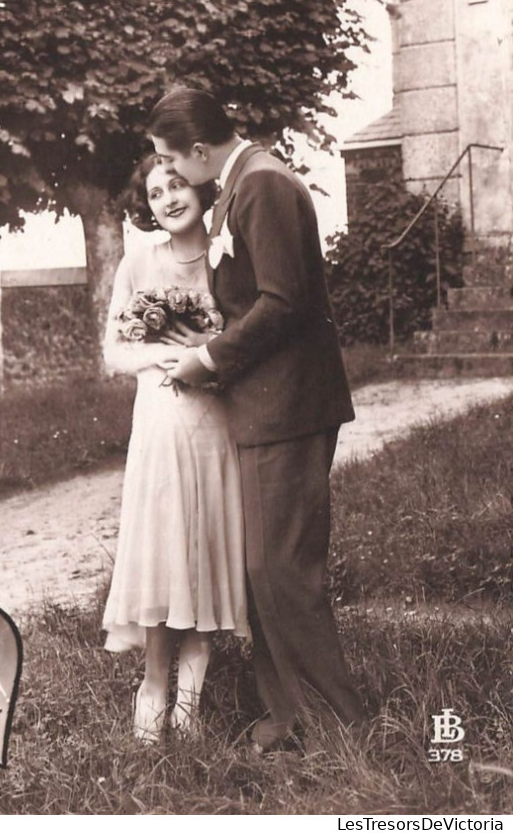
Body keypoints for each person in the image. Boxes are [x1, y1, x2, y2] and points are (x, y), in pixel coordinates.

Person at [148, 86, 365, 753]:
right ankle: (291, 717)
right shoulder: (238, 185)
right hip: (264, 407)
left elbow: (284, 303)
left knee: (282, 570)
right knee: (260, 570)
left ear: (200, 149)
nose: (171, 174)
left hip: (288, 406)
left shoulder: (265, 185)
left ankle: (342, 726)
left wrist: (208, 359)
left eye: (171, 160)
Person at [102, 154, 248, 743]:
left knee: (204, 546)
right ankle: (153, 687)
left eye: (177, 184)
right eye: (156, 191)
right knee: (166, 550)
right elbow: (114, 350)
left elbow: (244, 338)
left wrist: (209, 354)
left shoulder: (224, 260)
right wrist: (166, 357)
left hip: (215, 422)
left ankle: (189, 703)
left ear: (201, 188)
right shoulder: (139, 259)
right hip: (161, 419)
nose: (166, 198)